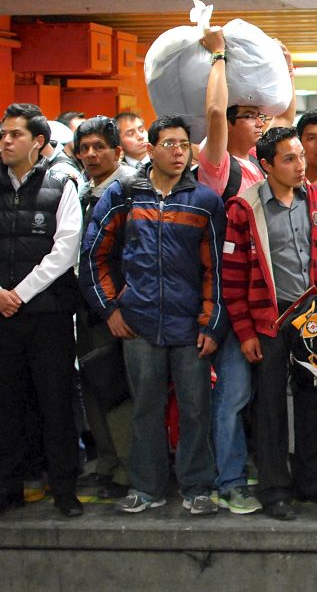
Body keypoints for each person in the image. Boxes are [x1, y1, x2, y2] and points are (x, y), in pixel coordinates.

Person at [80, 115, 225, 516]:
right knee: (145, 408)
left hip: (190, 325)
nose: (178, 151)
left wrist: (212, 324)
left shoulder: (205, 201)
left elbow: (216, 269)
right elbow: (93, 256)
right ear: (150, 148)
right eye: (170, 144)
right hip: (138, 323)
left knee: (196, 409)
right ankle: (147, 487)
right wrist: (109, 308)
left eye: (184, 144)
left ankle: (197, 486)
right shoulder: (124, 194)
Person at [195, 26, 295, 517]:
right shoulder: (216, 166)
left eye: (261, 116)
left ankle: (249, 468)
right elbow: (215, 112)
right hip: (229, 297)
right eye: (251, 116)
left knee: (260, 395)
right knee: (232, 394)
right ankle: (228, 479)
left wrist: (287, 75)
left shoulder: (261, 168)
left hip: (268, 299)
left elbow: (285, 132)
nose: (260, 123)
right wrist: (217, 57)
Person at [221, 127, 317, 520]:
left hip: (312, 318)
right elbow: (233, 277)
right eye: (289, 159)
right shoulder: (244, 208)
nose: (299, 166)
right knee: (270, 407)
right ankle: (274, 490)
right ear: (266, 164)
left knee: (315, 401)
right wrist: (244, 332)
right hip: (269, 320)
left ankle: (313, 483)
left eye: (301, 158)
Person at [0, 103, 83, 518]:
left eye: (15, 134)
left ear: (37, 142)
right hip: (2, 315)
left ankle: (64, 491)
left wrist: (19, 292)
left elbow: (65, 249)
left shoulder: (61, 183)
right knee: (6, 406)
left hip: (48, 315)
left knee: (56, 405)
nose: (6, 141)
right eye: (3, 134)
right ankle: (8, 489)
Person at [73, 116, 137, 500]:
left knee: (118, 390)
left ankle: (128, 470)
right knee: (95, 388)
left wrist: (115, 305)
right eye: (85, 148)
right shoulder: (85, 190)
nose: (91, 154)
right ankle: (108, 465)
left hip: (118, 308)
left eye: (99, 147)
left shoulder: (128, 190)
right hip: (88, 306)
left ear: (117, 151)